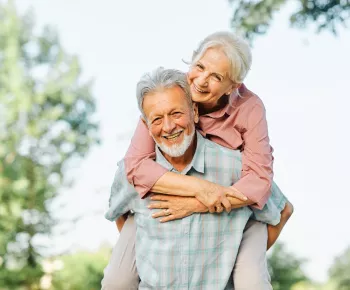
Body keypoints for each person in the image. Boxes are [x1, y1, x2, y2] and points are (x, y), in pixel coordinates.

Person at [102, 67, 280, 289]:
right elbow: (121, 219)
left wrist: (243, 268)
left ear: (194, 112)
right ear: (146, 126)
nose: (168, 127)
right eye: (157, 119)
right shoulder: (129, 174)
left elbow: (279, 213)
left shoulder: (235, 167)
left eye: (176, 113)